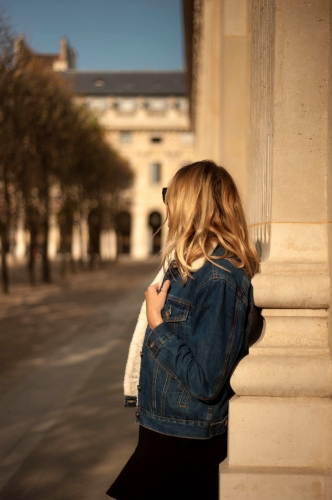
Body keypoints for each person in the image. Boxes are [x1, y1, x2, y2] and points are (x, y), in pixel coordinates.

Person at [106, 160, 259, 500]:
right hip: (166, 430)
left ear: (191, 204)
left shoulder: (219, 278)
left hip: (185, 443)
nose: (167, 205)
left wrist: (157, 322)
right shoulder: (188, 267)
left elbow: (205, 381)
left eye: (170, 195)